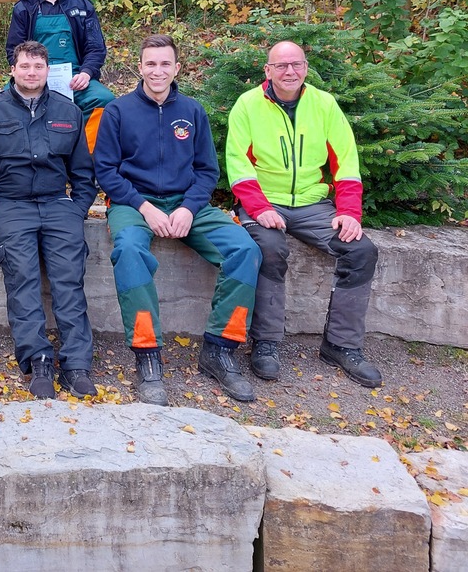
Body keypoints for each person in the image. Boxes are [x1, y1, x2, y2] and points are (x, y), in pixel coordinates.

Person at [93, 35, 260, 405]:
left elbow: (206, 170)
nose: (157, 71)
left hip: (189, 204)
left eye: (165, 64)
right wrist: (145, 208)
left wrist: (187, 208)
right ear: (139, 67)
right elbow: (105, 171)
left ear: (177, 68)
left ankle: (219, 350)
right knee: (130, 252)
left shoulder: (192, 110)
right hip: (133, 205)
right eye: (150, 63)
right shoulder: (118, 112)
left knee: (245, 249)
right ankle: (147, 356)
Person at [226, 40, 383, 388]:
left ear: (306, 68)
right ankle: (265, 343)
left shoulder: (324, 105)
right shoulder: (248, 105)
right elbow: (237, 164)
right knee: (268, 249)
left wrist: (349, 213)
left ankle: (341, 345)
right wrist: (260, 208)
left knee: (360, 251)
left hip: (313, 205)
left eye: (296, 64)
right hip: (264, 202)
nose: (289, 71)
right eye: (281, 66)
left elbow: (346, 162)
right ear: (267, 70)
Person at [0, 40, 99, 398]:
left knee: (69, 281)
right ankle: (38, 361)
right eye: (25, 66)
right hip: (10, 206)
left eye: (38, 67)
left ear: (47, 70)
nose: (32, 73)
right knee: (22, 280)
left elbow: (83, 171)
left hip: (57, 205)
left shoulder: (68, 111)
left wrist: (77, 208)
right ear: (13, 69)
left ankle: (76, 364)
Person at [6, 0, 114, 150]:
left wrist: (86, 73)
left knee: (104, 99)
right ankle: (22, 157)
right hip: (33, 74)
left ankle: (85, 156)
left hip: (73, 77)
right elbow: (13, 50)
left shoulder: (82, 6)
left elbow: (96, 48)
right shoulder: (25, 7)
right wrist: (29, 74)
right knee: (5, 101)